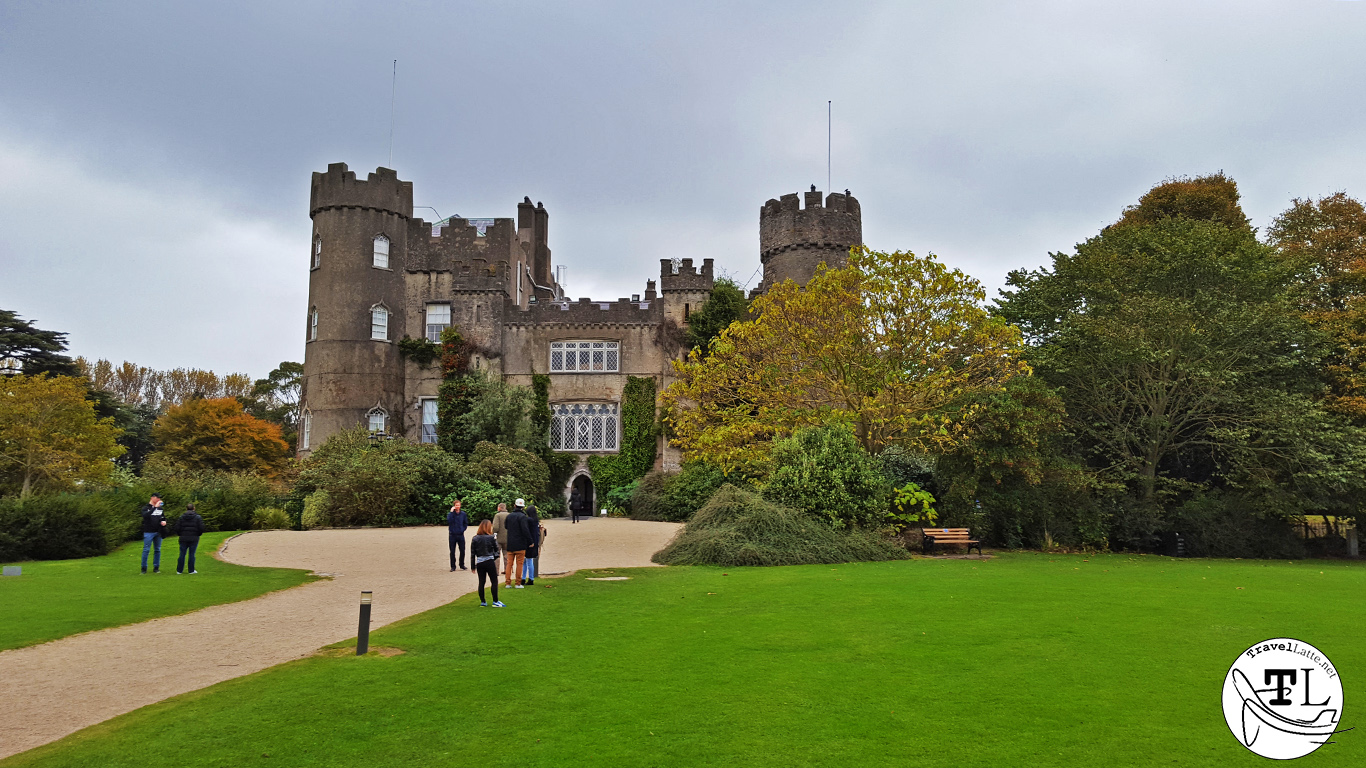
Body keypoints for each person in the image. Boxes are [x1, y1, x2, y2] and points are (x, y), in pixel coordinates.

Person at [470, 520, 504, 607]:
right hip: (489, 560)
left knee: (481, 581)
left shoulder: (475, 538)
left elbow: (473, 553)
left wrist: (473, 566)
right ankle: (495, 601)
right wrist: (494, 557)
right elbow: (496, 550)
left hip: (480, 562)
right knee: (494, 580)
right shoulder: (491, 538)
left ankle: (483, 602)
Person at [504, 499, 533, 588]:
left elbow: (506, 526)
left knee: (509, 564)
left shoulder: (509, 516)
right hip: (520, 543)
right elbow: (525, 530)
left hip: (510, 542)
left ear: (514, 505)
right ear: (523, 507)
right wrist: (530, 541)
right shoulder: (523, 517)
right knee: (519, 564)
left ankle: (508, 583)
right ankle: (518, 583)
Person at [171, 502, 205, 574]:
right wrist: (198, 534)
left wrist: (180, 534)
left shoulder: (181, 517)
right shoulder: (197, 517)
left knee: (182, 554)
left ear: (186, 508)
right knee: (192, 554)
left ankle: (179, 570)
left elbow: (177, 527)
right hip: (194, 537)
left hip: (183, 537)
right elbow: (201, 528)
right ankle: (191, 570)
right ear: (194, 508)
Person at [139, 494, 167, 573]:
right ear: (152, 498)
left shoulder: (160, 509)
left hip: (158, 531)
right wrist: (154, 507)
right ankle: (144, 568)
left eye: (159, 498)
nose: (159, 499)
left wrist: (164, 521)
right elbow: (146, 516)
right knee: (146, 550)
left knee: (157, 550)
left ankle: (156, 567)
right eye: (157, 498)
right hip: (148, 532)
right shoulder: (146, 508)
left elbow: (163, 517)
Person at [522, 502, 543, 586]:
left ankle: (529, 578)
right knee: (527, 560)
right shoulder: (535, 520)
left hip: (529, 541)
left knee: (527, 560)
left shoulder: (529, 520)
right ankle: (525, 578)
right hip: (534, 540)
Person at [447, 499, 470, 571]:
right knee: (452, 551)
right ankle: (453, 566)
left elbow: (465, 523)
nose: (457, 506)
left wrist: (462, 529)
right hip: (452, 535)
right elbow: (449, 521)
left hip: (460, 534)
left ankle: (462, 564)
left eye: (458, 505)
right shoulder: (451, 514)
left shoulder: (463, 514)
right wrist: (451, 512)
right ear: (454, 506)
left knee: (462, 550)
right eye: (456, 505)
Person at [491, 502, 510, 572]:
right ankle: (507, 570)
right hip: (508, 538)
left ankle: (496, 571)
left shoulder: (497, 515)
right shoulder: (509, 515)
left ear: (499, 508)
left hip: (499, 538)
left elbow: (496, 527)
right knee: (506, 555)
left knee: (497, 554)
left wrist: (493, 533)